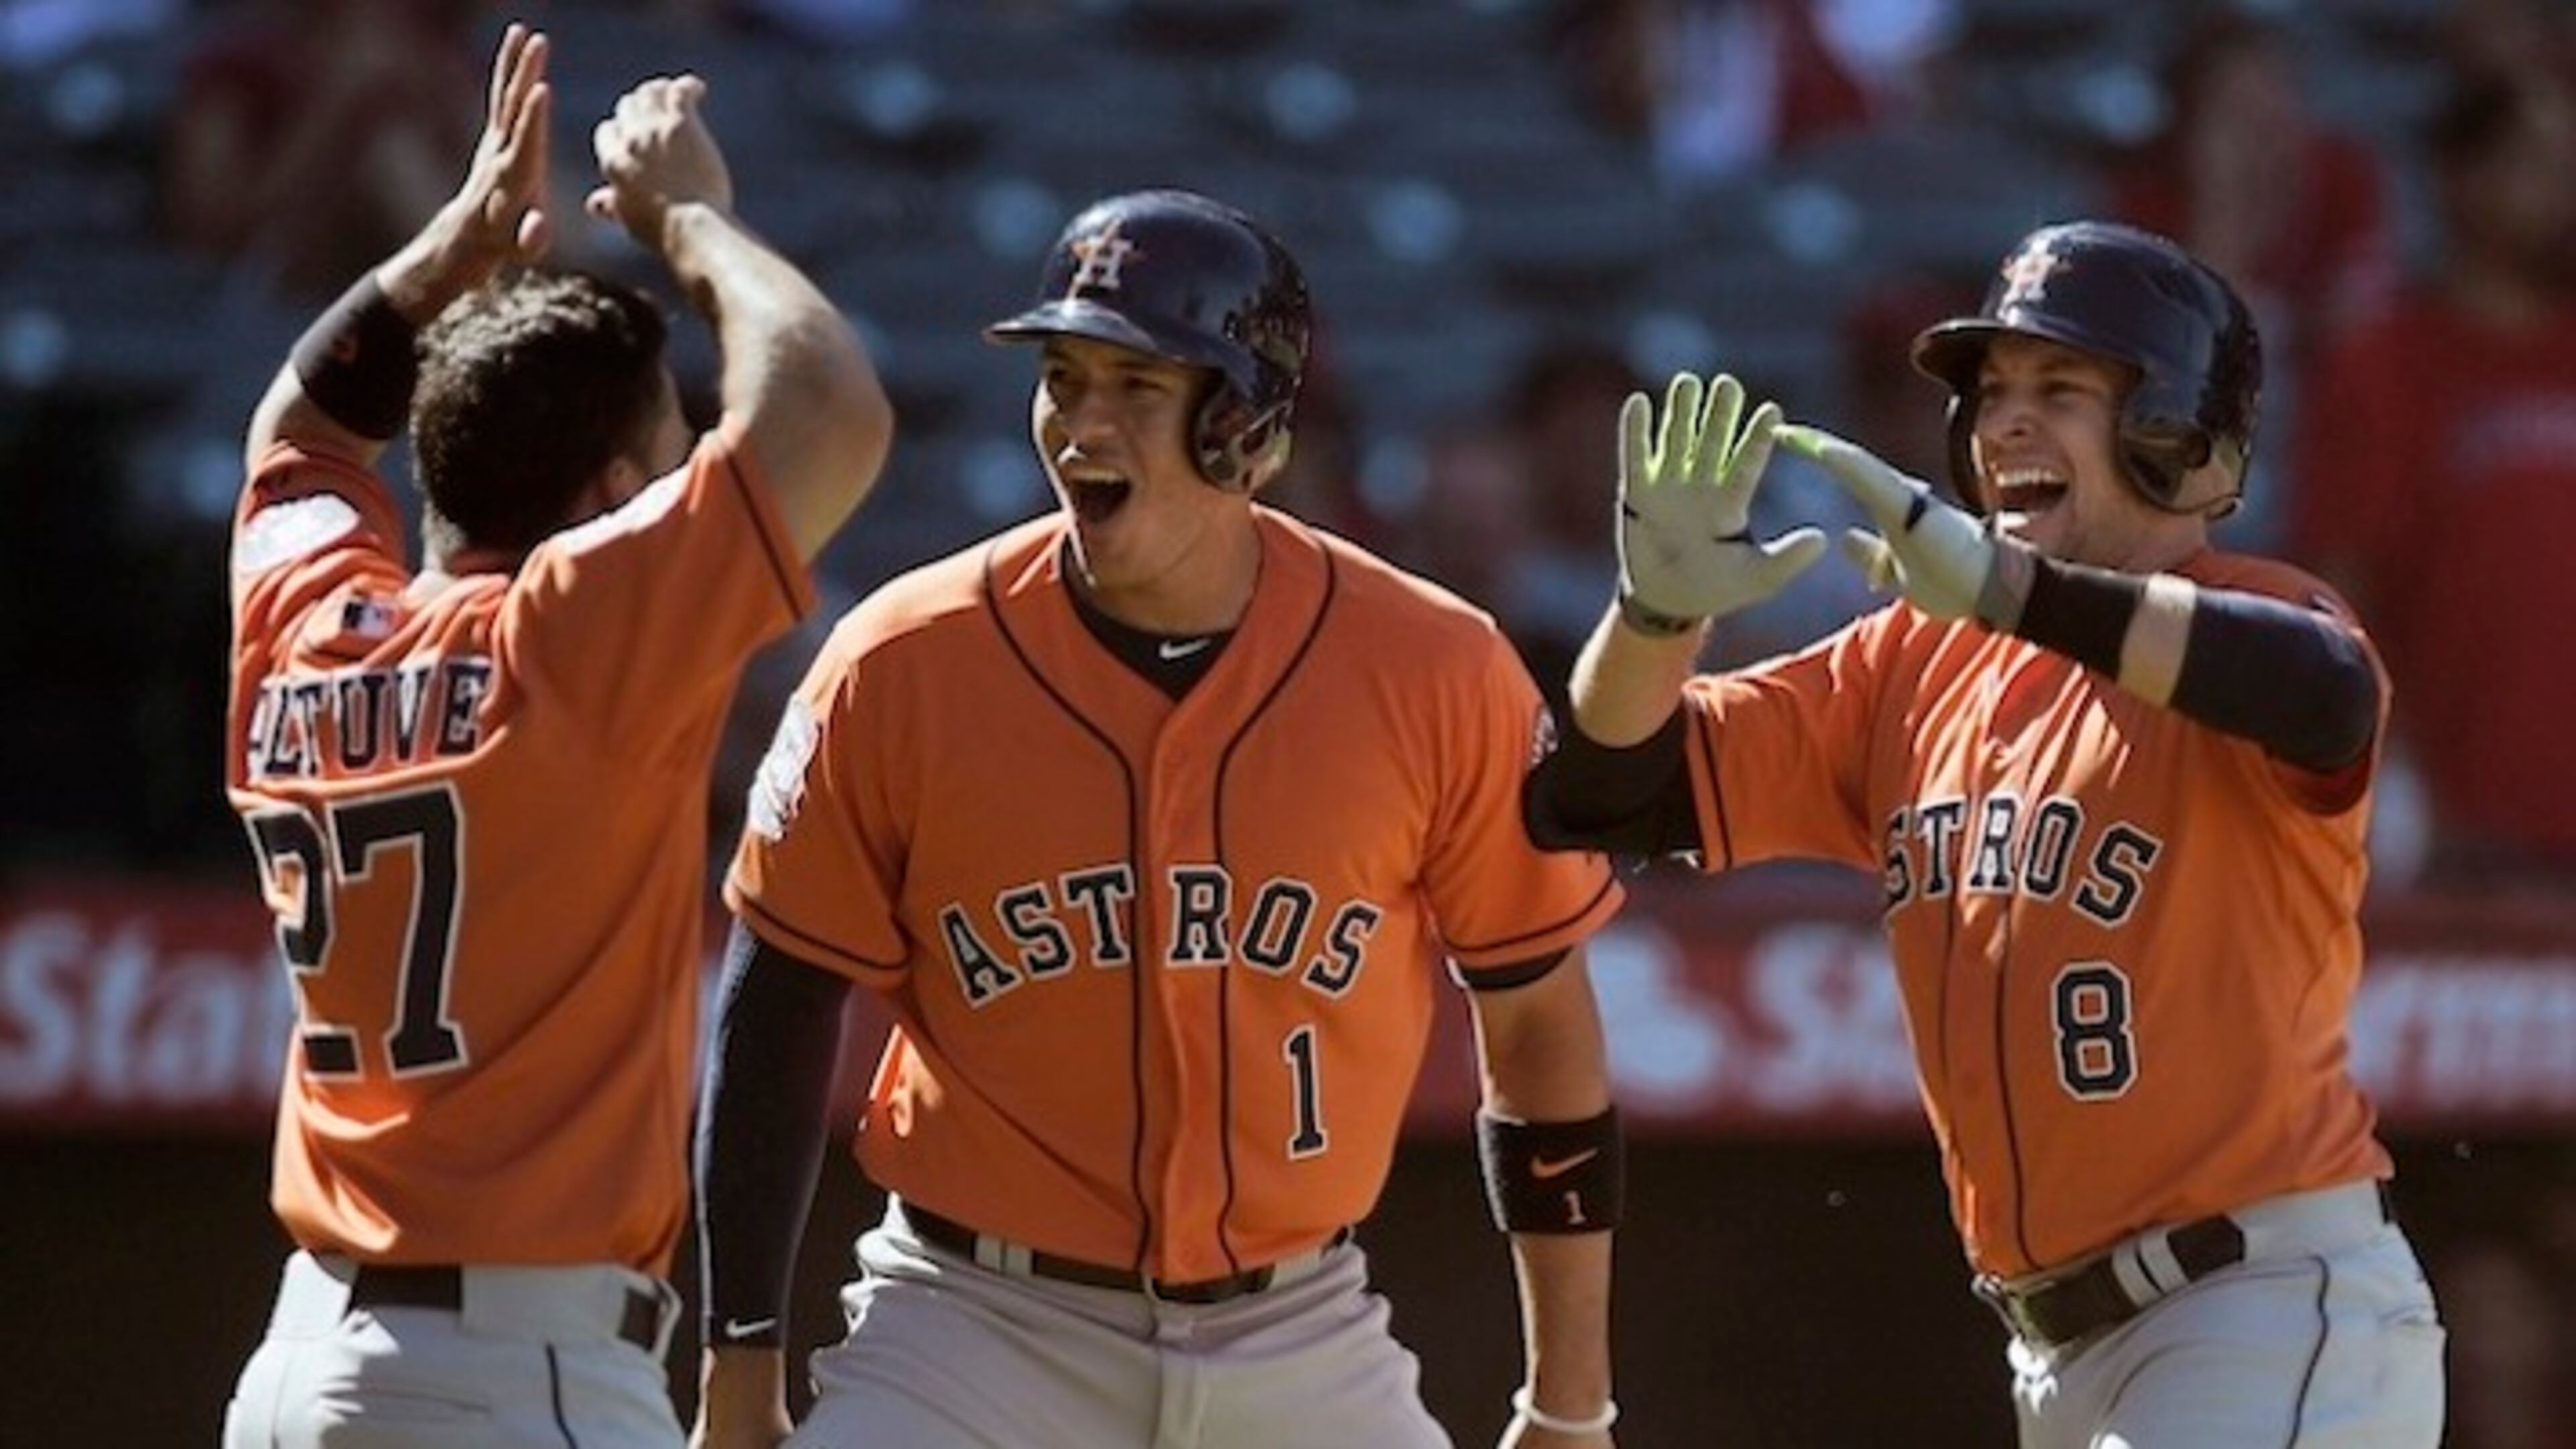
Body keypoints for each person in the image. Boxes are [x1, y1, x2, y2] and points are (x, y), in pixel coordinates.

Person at [692, 187, 1627, 1449]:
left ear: (1249, 434)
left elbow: (1541, 1031)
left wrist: (1568, 1401)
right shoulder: (902, 664)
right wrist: (739, 1366)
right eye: (1062, 378)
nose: (1082, 422)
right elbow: (773, 1011)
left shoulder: (1434, 671)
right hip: (976, 1324)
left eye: (1136, 386)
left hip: (1300, 1329)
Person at [1525, 219, 2445, 1444]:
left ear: (2174, 435)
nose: (2006, 423)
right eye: (1992, 392)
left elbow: (2323, 688)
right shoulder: (1916, 657)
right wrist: (1650, 620)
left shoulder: (2261, 616)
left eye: (2061, 389)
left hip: (2259, 1307)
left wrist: (2016, 596)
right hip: (2062, 1352)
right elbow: (1603, 792)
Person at [221, 23, 890, 1447]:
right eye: (657, 465)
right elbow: (828, 402)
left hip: (298, 1369)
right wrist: (689, 216)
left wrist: (438, 262)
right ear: (605, 500)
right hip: (513, 1376)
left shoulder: (303, 621)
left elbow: (302, 437)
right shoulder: (573, 638)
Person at [2290, 72, 2576, 886]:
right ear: (2460, 177)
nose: (2566, 188)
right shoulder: (2388, 362)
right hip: (2462, 839)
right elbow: (2340, 592)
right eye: (2540, 162)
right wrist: (2389, 778)